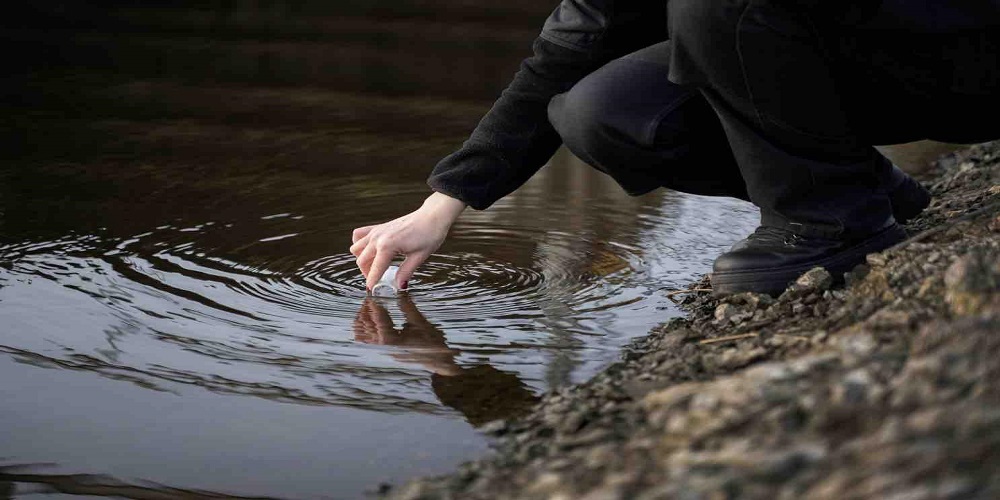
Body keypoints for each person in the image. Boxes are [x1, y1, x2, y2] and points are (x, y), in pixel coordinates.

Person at [350, 0, 999, 296]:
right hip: (846, 58)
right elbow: (573, 43)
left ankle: (829, 223)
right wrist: (443, 204)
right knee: (604, 113)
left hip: (964, 51)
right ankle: (861, 187)